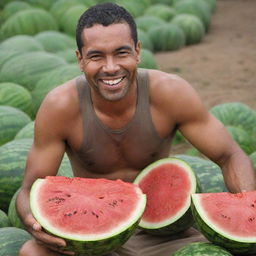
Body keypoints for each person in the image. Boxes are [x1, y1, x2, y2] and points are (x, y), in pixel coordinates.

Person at [17, 2, 256, 256]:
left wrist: (247, 211)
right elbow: (29, 188)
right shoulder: (60, 107)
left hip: (164, 233)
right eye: (96, 56)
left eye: (121, 53)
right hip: (92, 237)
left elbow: (230, 155)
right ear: (80, 59)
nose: (110, 67)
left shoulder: (171, 93)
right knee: (32, 253)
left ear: (137, 52)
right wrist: (34, 223)